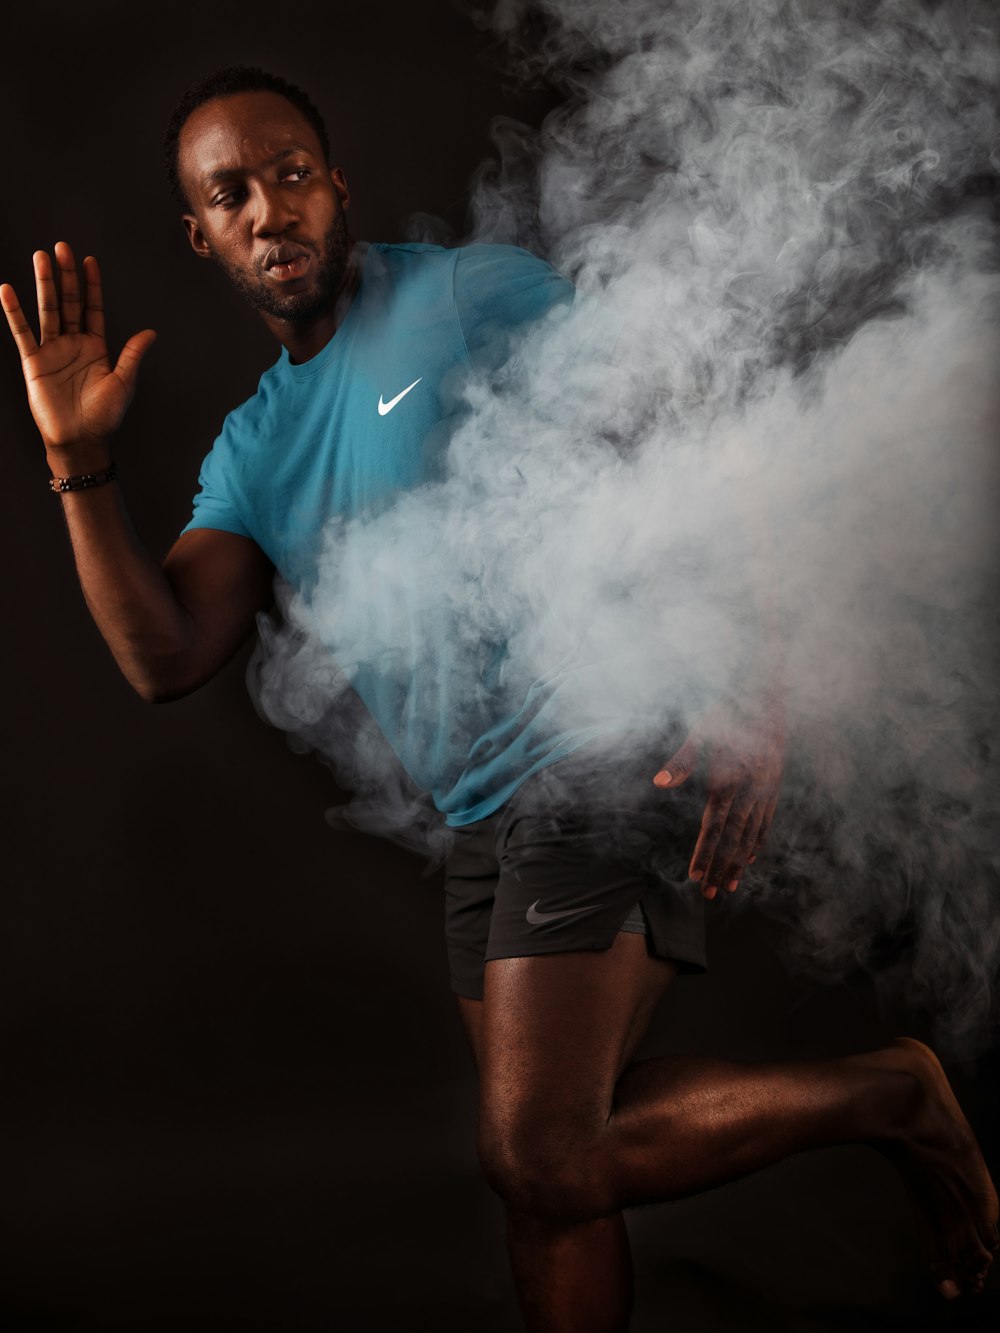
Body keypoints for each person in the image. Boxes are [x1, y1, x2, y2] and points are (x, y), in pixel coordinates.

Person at [3, 65, 996, 1332]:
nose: (269, 210)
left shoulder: (466, 295)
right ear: (201, 234)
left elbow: (697, 423)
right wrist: (77, 464)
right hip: (482, 818)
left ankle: (892, 1097)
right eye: (231, 193)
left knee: (541, 1154)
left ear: (337, 184)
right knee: (550, 1188)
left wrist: (755, 683)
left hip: (596, 755)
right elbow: (164, 656)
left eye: (291, 173)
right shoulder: (252, 446)